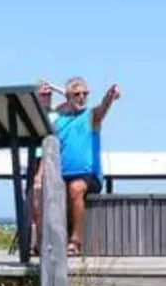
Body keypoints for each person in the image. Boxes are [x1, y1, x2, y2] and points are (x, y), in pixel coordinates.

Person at [31, 76, 120, 256]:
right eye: (76, 94)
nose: (81, 97)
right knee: (41, 193)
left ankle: (75, 241)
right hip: (63, 174)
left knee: (75, 188)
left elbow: (103, 108)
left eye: (84, 94)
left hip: (88, 176)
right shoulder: (58, 122)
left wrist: (109, 97)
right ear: (69, 96)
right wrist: (39, 176)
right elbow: (48, 150)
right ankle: (42, 242)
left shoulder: (91, 117)